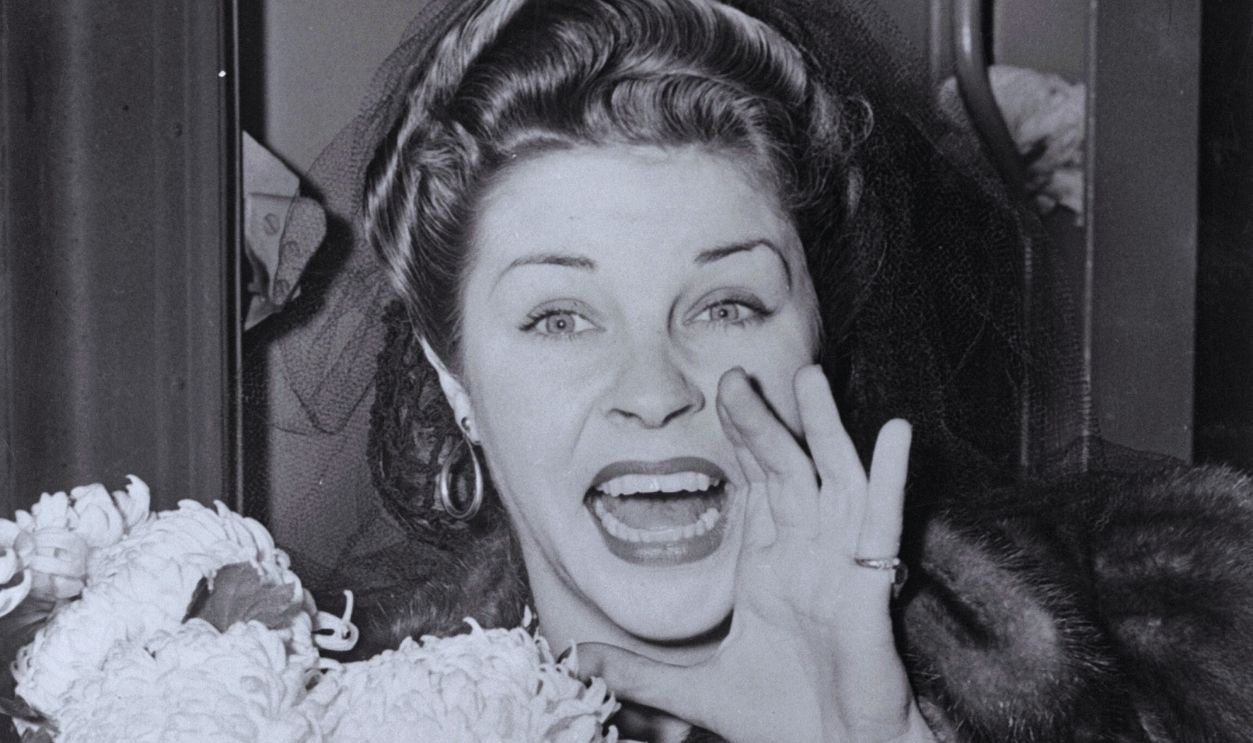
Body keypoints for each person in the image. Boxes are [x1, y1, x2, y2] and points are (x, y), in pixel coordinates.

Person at [251, 0, 1253, 740]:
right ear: (453, 375)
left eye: (726, 304)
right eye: (559, 316)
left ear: (817, 329)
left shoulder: (1180, 641)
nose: (654, 389)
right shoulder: (314, 708)